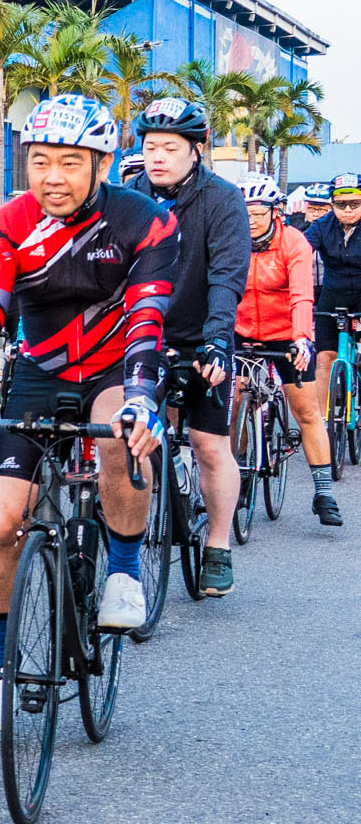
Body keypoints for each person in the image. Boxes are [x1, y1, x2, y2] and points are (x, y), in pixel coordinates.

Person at [0, 94, 177, 735]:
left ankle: (123, 571)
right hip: (42, 373)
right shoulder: (7, 222)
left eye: (70, 162)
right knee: (2, 524)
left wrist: (142, 397)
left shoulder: (144, 220)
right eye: (40, 162)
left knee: (120, 436)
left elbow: (148, 316)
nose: (53, 177)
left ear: (102, 164)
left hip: (118, 366)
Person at [127, 97, 250, 595]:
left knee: (208, 444)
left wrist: (218, 340)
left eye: (171, 148)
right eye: (151, 146)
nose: (157, 156)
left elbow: (227, 275)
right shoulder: (128, 195)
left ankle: (217, 546)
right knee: (129, 436)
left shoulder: (222, 199)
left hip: (202, 336)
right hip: (142, 337)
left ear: (196, 149)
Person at [236, 173, 341, 526]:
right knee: (234, 403)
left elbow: (301, 295)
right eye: (244, 214)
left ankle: (323, 492)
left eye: (258, 213)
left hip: (286, 333)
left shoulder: (293, 241)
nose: (251, 221)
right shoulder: (230, 239)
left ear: (275, 212)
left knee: (306, 411)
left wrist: (301, 339)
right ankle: (239, 475)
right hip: (242, 330)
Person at [307, 172, 361, 434]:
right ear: (332, 205)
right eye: (341, 204)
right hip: (333, 292)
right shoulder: (322, 225)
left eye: (355, 203)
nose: (348, 209)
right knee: (324, 358)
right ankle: (320, 423)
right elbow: (300, 252)